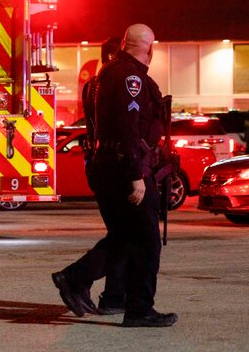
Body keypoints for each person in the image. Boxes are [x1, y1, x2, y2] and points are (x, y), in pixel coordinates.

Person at [53, 24, 177, 327]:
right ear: (149, 48)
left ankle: (86, 284)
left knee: (124, 237)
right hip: (126, 169)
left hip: (107, 166)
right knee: (147, 241)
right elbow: (128, 127)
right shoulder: (130, 77)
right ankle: (138, 308)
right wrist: (136, 174)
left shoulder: (104, 76)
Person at [53, 36, 127, 317]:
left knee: (123, 234)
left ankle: (113, 296)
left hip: (100, 166)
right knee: (127, 235)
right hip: (115, 168)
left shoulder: (92, 86)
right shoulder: (111, 83)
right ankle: (75, 277)